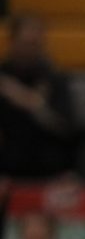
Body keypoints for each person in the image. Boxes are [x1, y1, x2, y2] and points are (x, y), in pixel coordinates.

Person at [0, 15, 76, 180]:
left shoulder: (54, 77)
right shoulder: (3, 77)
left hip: (49, 169)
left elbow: (67, 129)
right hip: (9, 168)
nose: (31, 50)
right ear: (12, 41)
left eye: (36, 44)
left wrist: (34, 106)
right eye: (26, 44)